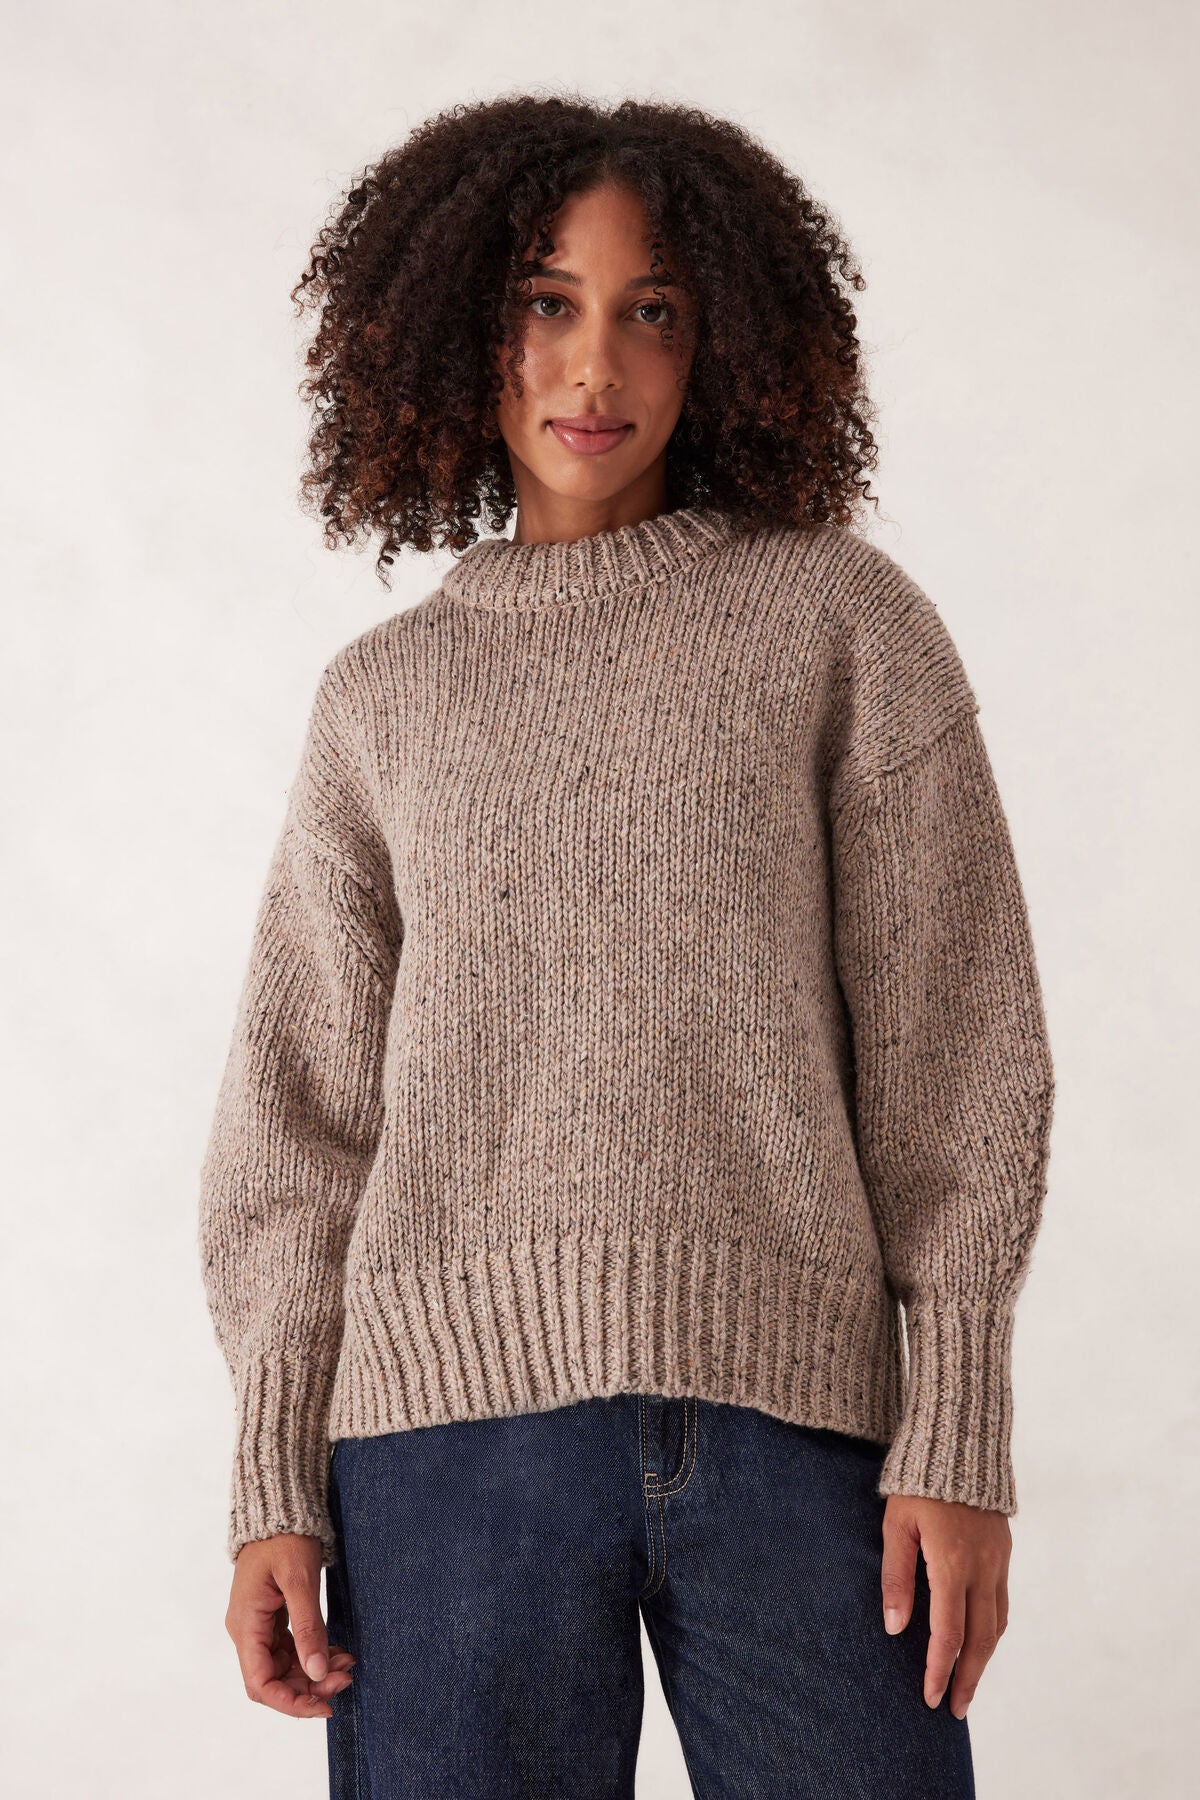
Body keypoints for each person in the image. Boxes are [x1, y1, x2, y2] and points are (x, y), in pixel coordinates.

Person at [198, 94, 1055, 1799]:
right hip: (445, 1457)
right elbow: (297, 1126)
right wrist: (274, 1480)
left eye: (652, 307)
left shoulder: (840, 625)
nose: (596, 365)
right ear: (456, 328)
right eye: (547, 301)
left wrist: (957, 1422)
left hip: (798, 1433)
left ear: (724, 335)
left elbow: (960, 1048)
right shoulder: (385, 699)